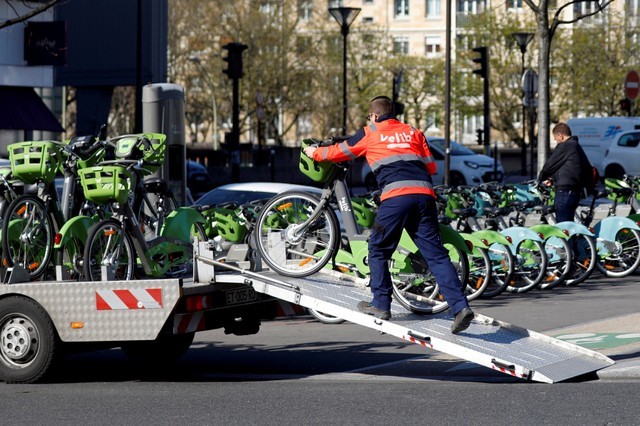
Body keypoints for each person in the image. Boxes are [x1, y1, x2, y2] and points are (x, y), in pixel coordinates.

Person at [303, 95, 474, 334]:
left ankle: (381, 304)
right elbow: (432, 167)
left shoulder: (370, 131)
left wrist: (315, 152)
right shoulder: (414, 132)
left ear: (373, 115)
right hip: (425, 196)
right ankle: (460, 307)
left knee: (378, 248)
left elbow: (339, 152)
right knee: (436, 255)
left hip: (396, 197)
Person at [538, 122, 592, 223]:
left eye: (555, 138)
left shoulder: (565, 146)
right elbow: (568, 167)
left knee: (563, 227)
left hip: (565, 192)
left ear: (560, 135)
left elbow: (549, 166)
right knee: (568, 225)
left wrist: (541, 178)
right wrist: (552, 179)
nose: (555, 140)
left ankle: (567, 239)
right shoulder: (576, 146)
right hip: (574, 192)